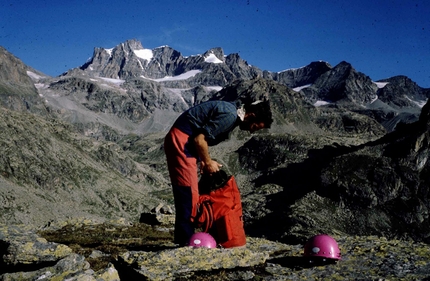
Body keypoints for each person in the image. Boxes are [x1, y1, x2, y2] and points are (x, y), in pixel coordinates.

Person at [164, 99, 273, 245]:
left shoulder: (230, 110)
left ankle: (183, 240)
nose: (252, 130)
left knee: (187, 192)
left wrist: (203, 159)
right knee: (188, 194)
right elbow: (199, 140)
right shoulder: (229, 116)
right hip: (182, 143)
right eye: (255, 126)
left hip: (182, 141)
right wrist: (208, 162)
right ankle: (184, 244)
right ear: (251, 115)